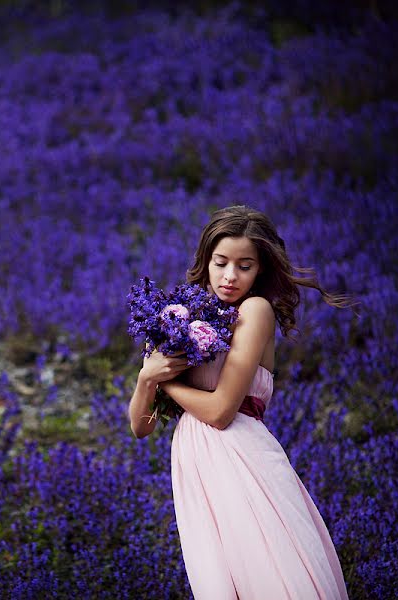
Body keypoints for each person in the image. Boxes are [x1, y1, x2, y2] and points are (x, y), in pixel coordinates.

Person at [128, 205, 356, 599]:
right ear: (206, 261)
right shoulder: (182, 316)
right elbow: (140, 427)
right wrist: (147, 377)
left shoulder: (256, 310)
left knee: (270, 576)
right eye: (221, 263)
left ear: (261, 270)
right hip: (196, 468)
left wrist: (164, 383)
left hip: (243, 457)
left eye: (244, 265)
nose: (230, 276)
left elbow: (220, 412)